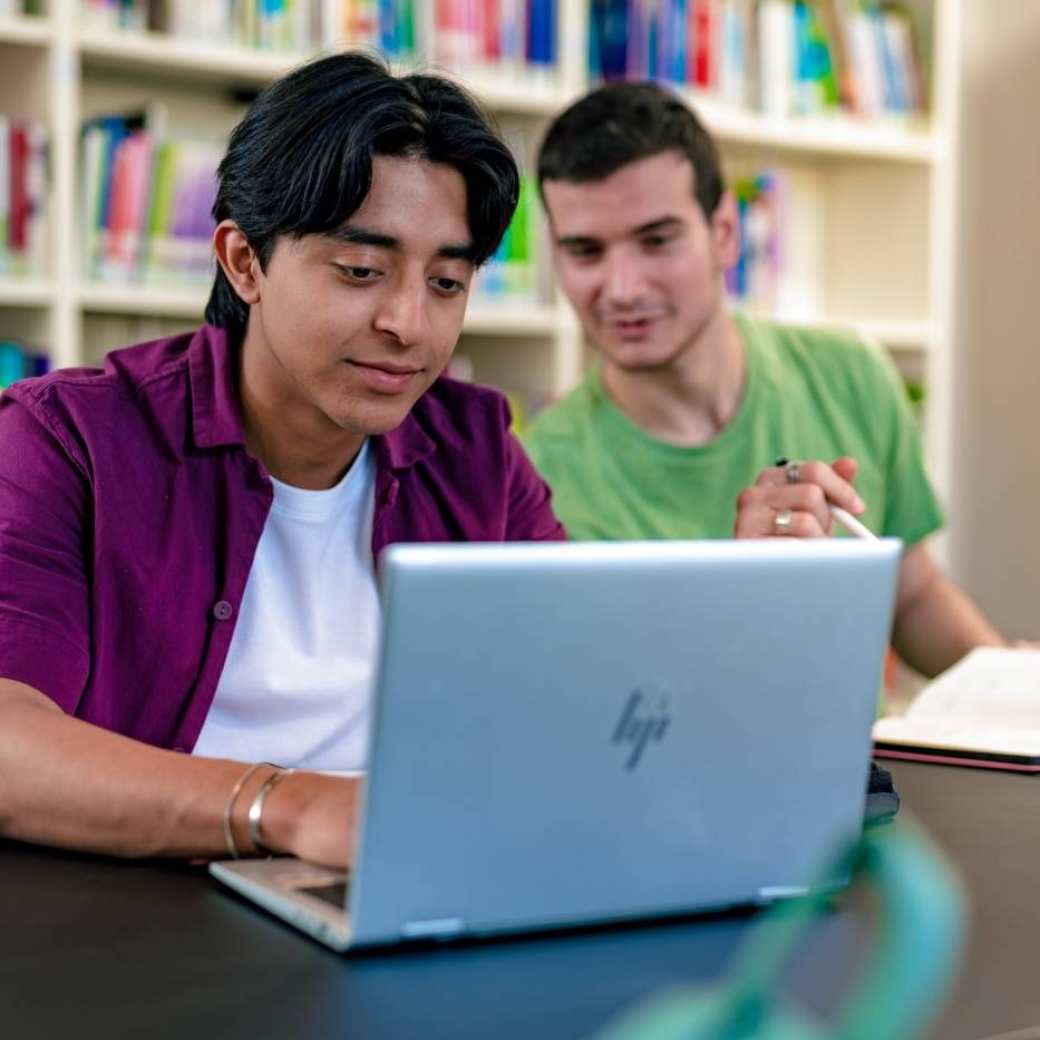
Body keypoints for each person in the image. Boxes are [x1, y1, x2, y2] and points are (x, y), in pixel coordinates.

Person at [0, 53, 563, 868]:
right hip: (145, 913)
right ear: (244, 261)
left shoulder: (475, 451)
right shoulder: (67, 441)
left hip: (401, 883)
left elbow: (581, 702)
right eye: (362, 271)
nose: (408, 323)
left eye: (447, 283)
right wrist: (288, 805)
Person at [524, 80, 1004, 679]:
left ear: (725, 232)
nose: (622, 288)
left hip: (867, 773)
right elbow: (610, 712)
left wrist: (1009, 691)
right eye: (586, 252)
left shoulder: (849, 372)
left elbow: (912, 595)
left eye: (657, 241)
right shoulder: (534, 479)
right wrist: (747, 596)